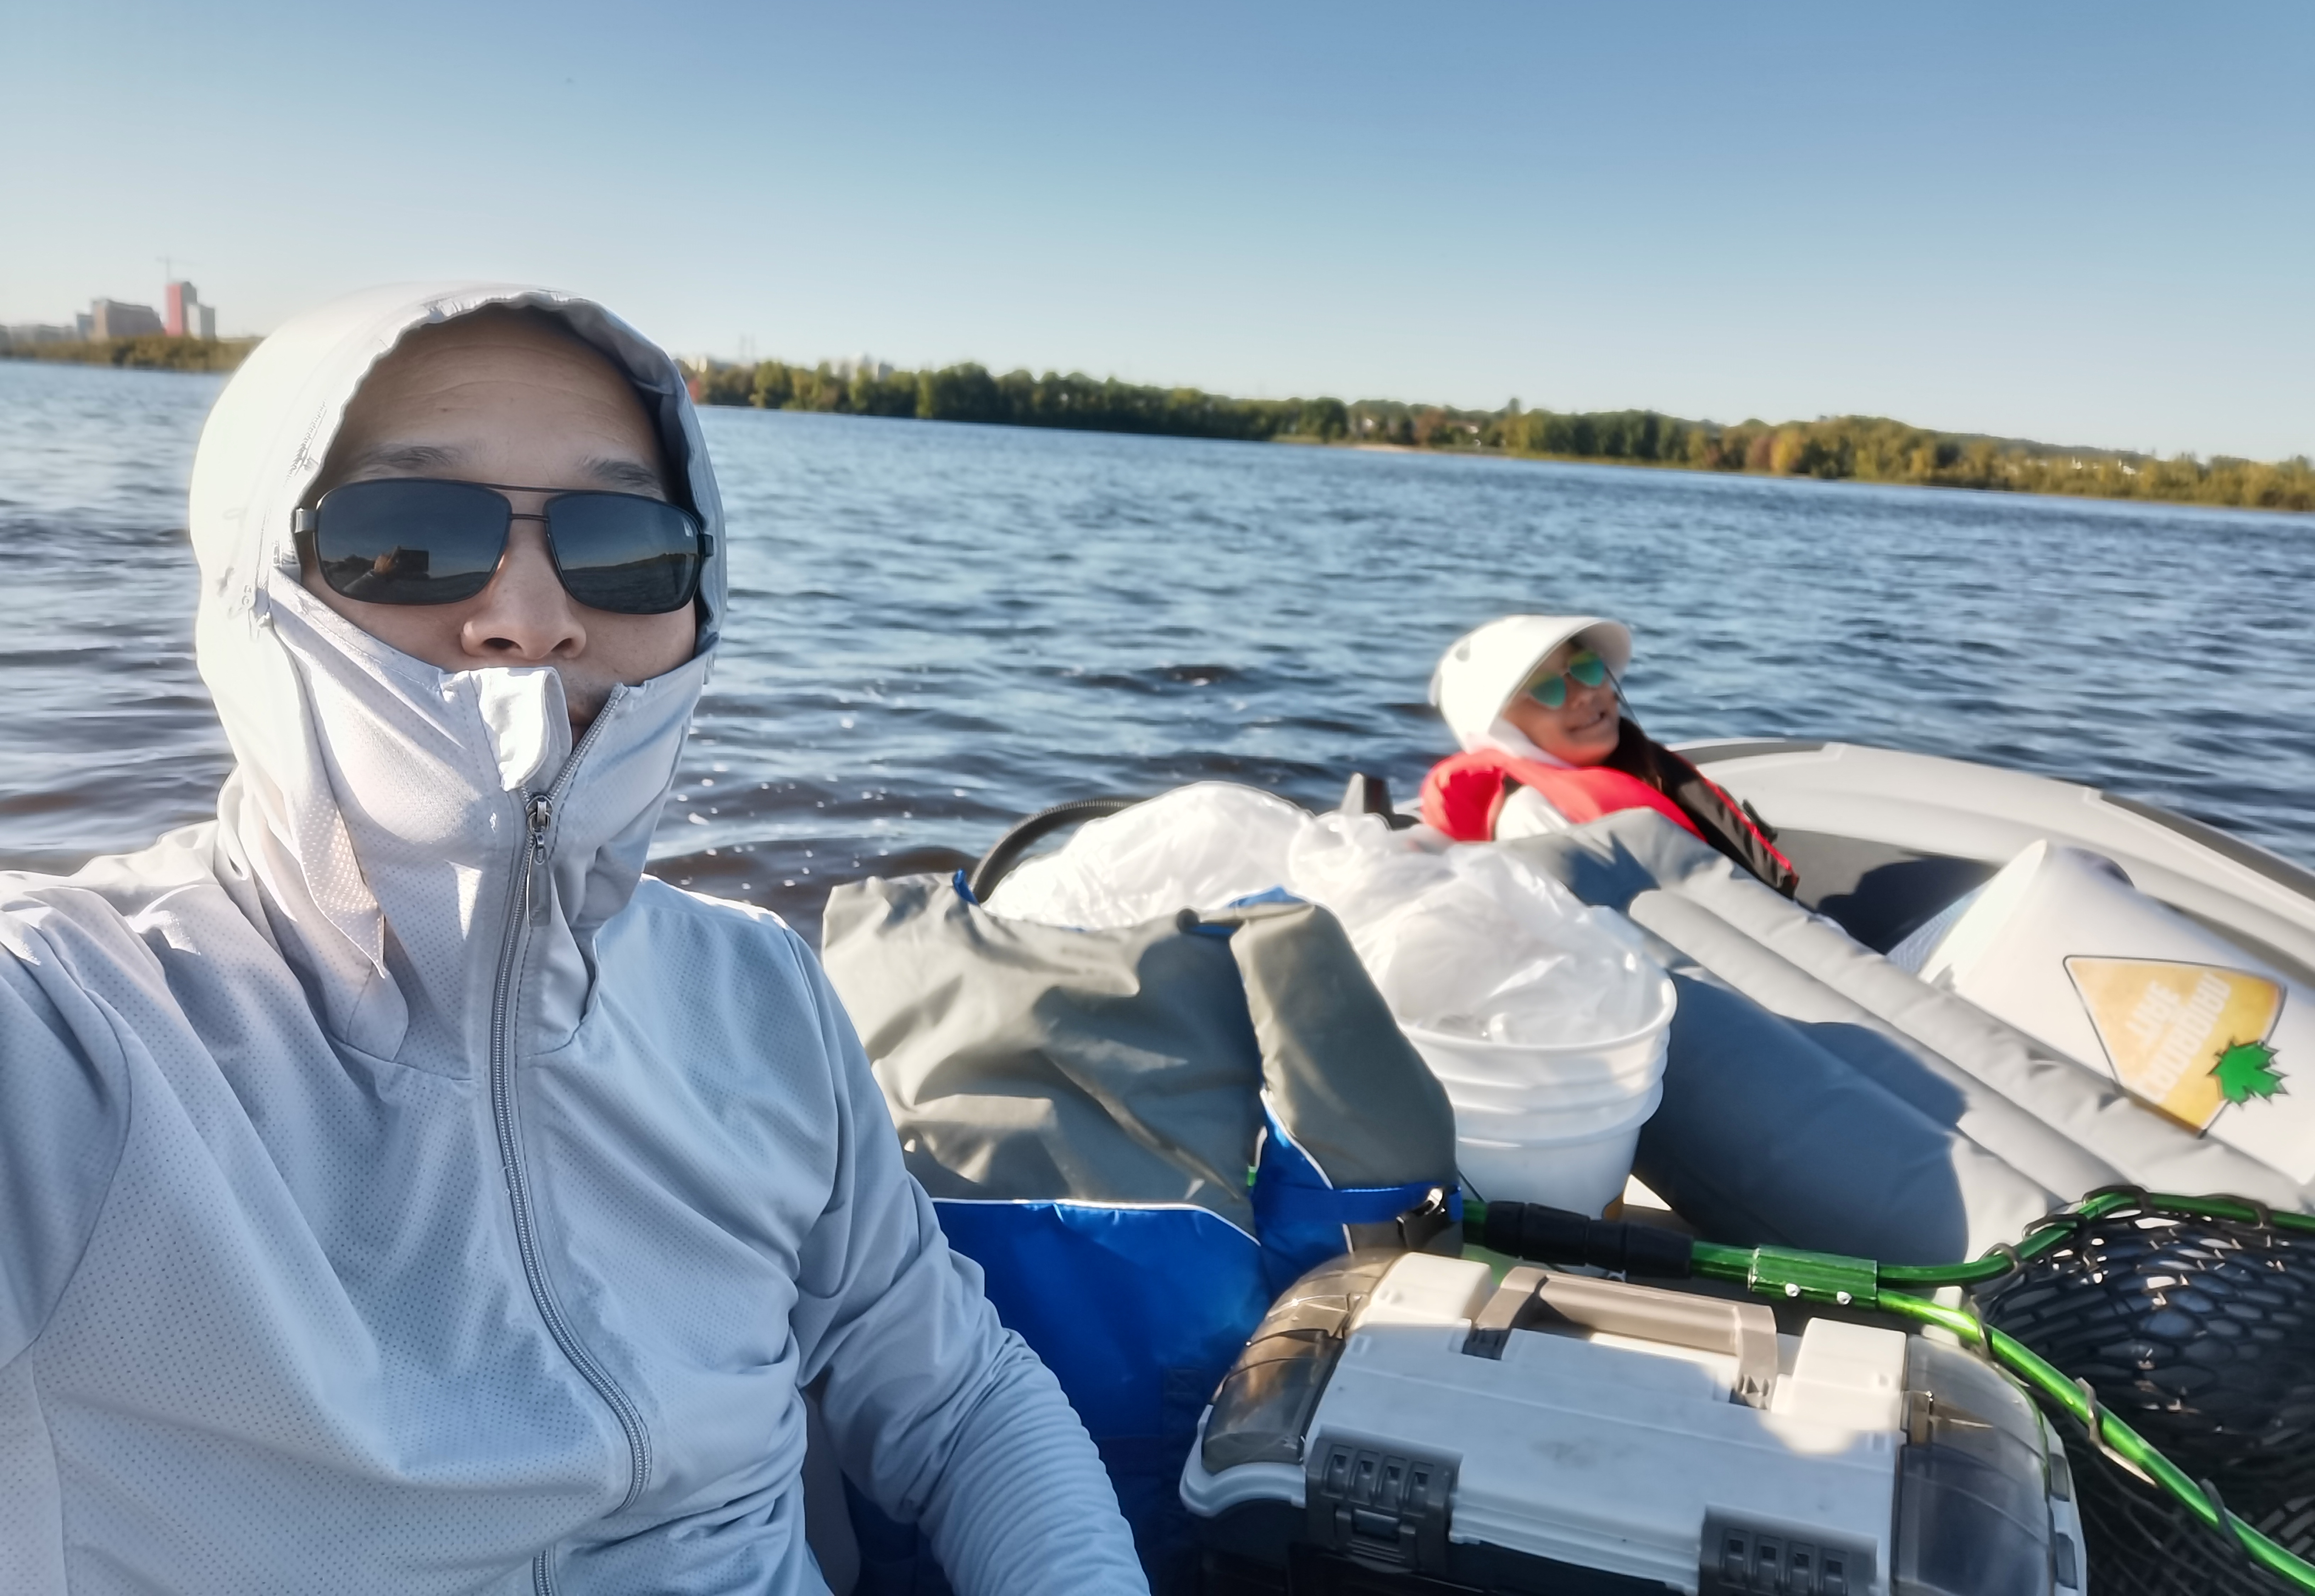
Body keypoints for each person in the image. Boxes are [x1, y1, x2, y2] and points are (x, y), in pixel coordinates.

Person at [0, 284, 1148, 1595]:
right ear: (254, 589)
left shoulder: (760, 990)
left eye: (624, 546)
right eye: (407, 538)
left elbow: (956, 1396)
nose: (534, 617)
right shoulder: (74, 1032)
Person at [1420, 613, 1798, 896]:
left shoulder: (1648, 771)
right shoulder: (1531, 817)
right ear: (1501, 730)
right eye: (1546, 689)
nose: (1585, 694)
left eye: (1586, 669)